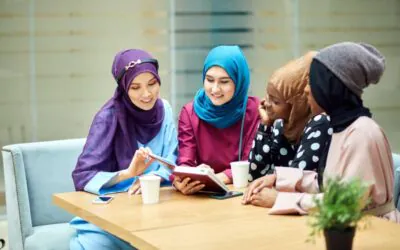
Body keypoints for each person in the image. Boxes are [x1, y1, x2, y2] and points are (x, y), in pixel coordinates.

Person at [243, 42, 400, 223]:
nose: (306, 90)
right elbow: (328, 183)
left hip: (375, 230)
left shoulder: (361, 133)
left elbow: (343, 202)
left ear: (330, 88)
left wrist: (279, 199)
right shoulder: (344, 127)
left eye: (313, 82)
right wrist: (277, 178)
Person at [70, 49, 178, 249]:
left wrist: (155, 176)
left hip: (158, 211)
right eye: (135, 87)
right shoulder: (107, 118)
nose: (146, 94)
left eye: (152, 84)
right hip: (112, 218)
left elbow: (173, 161)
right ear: (124, 87)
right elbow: (82, 176)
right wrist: (129, 173)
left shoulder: (165, 109)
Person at [173, 45, 260, 195]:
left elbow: (251, 164)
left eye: (224, 81)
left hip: (242, 195)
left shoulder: (255, 111)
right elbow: (185, 162)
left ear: (239, 81)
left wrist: (216, 177)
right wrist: (182, 181)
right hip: (202, 196)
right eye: (209, 80)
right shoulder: (190, 112)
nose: (215, 89)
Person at [248, 51, 331, 182]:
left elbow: (296, 179)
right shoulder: (279, 125)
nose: (267, 104)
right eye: (268, 96)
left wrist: (273, 183)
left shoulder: (321, 123)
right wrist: (265, 126)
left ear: (298, 105)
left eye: (276, 101)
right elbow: (254, 174)